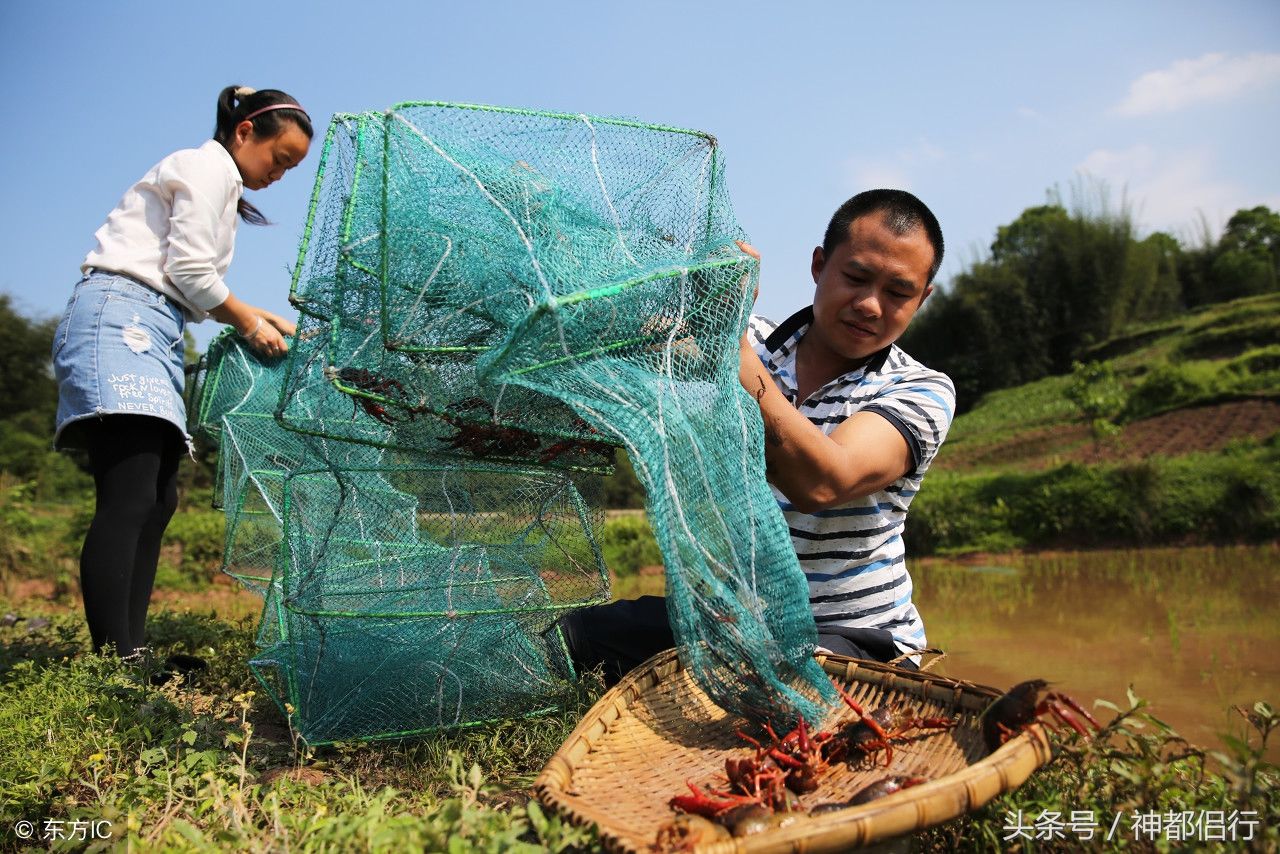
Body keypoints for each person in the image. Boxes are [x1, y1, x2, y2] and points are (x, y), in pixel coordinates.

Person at [559, 189, 953, 683]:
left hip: (847, 632)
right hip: (732, 620)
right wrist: (699, 293)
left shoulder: (921, 389)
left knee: (775, 686)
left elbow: (824, 482)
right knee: (577, 638)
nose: (870, 305)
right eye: (855, 278)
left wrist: (728, 350)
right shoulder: (753, 344)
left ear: (923, 298)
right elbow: (637, 334)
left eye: (898, 292)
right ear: (819, 266)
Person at [51, 86, 313, 666]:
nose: (280, 174)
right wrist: (247, 320)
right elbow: (189, 270)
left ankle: (131, 650)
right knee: (130, 492)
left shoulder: (221, 184)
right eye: (280, 158)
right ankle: (113, 663)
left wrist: (252, 311)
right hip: (120, 318)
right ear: (245, 132)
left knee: (159, 495)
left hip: (154, 324)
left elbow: (191, 284)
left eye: (291, 167)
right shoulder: (202, 166)